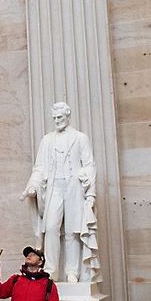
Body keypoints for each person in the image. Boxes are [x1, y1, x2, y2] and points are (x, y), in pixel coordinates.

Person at [22, 102, 99, 283]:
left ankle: (72, 271)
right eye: (54, 118)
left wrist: (91, 194)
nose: (57, 121)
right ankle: (51, 269)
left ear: (68, 116)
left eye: (60, 117)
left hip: (73, 186)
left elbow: (89, 165)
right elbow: (39, 167)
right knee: (50, 228)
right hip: (53, 187)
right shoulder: (47, 140)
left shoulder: (80, 138)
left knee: (72, 230)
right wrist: (33, 185)